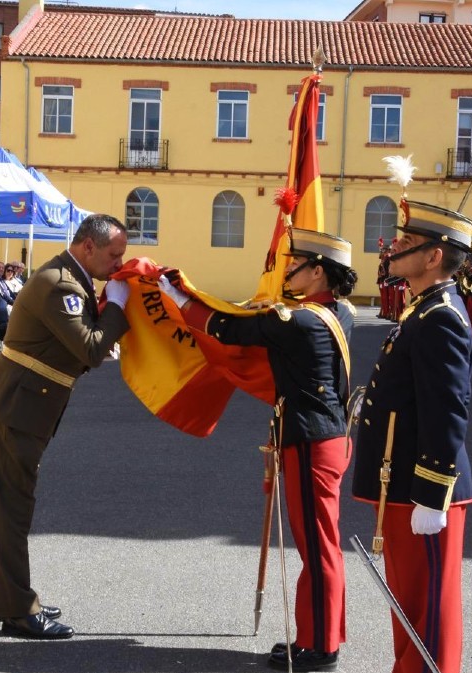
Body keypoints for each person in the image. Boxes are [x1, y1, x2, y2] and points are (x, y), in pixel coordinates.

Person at [160, 229, 356, 672]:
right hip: (327, 437)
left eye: (297, 264)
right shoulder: (339, 311)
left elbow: (226, 329)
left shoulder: (301, 321)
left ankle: (321, 647)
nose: (287, 270)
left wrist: (175, 294)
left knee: (318, 548)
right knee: (322, 544)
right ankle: (319, 636)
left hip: (309, 442)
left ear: (318, 270)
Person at [0, 214, 131, 640]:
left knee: (5, 508)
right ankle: (19, 610)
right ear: (87, 247)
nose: (118, 264)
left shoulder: (70, 278)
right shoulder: (61, 284)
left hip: (19, 404)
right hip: (16, 408)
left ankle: (8, 596)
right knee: (11, 510)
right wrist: (117, 304)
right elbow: (92, 348)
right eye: (114, 255)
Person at [351, 200, 472, 673]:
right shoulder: (423, 309)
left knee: (427, 612)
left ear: (433, 256)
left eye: (406, 243)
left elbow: (447, 409)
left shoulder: (439, 315)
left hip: (422, 488)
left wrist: (431, 493)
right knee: (408, 607)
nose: (393, 248)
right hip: (401, 483)